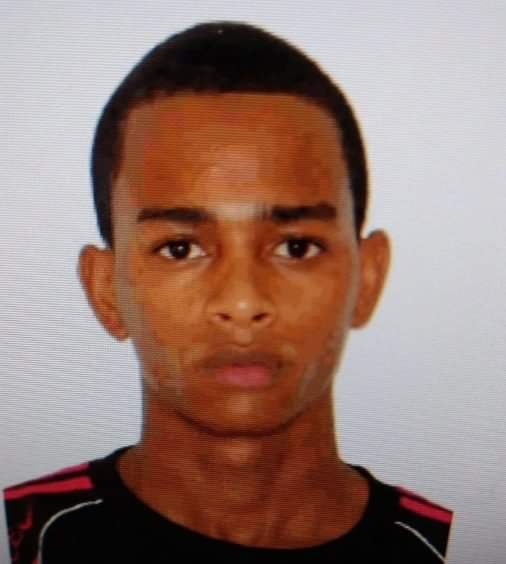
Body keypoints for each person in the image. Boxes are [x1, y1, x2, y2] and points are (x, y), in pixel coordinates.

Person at [3, 21, 453, 563]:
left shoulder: (450, 546)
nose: (242, 303)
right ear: (106, 290)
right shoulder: (26, 537)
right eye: (180, 249)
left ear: (368, 278)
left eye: (296, 247)